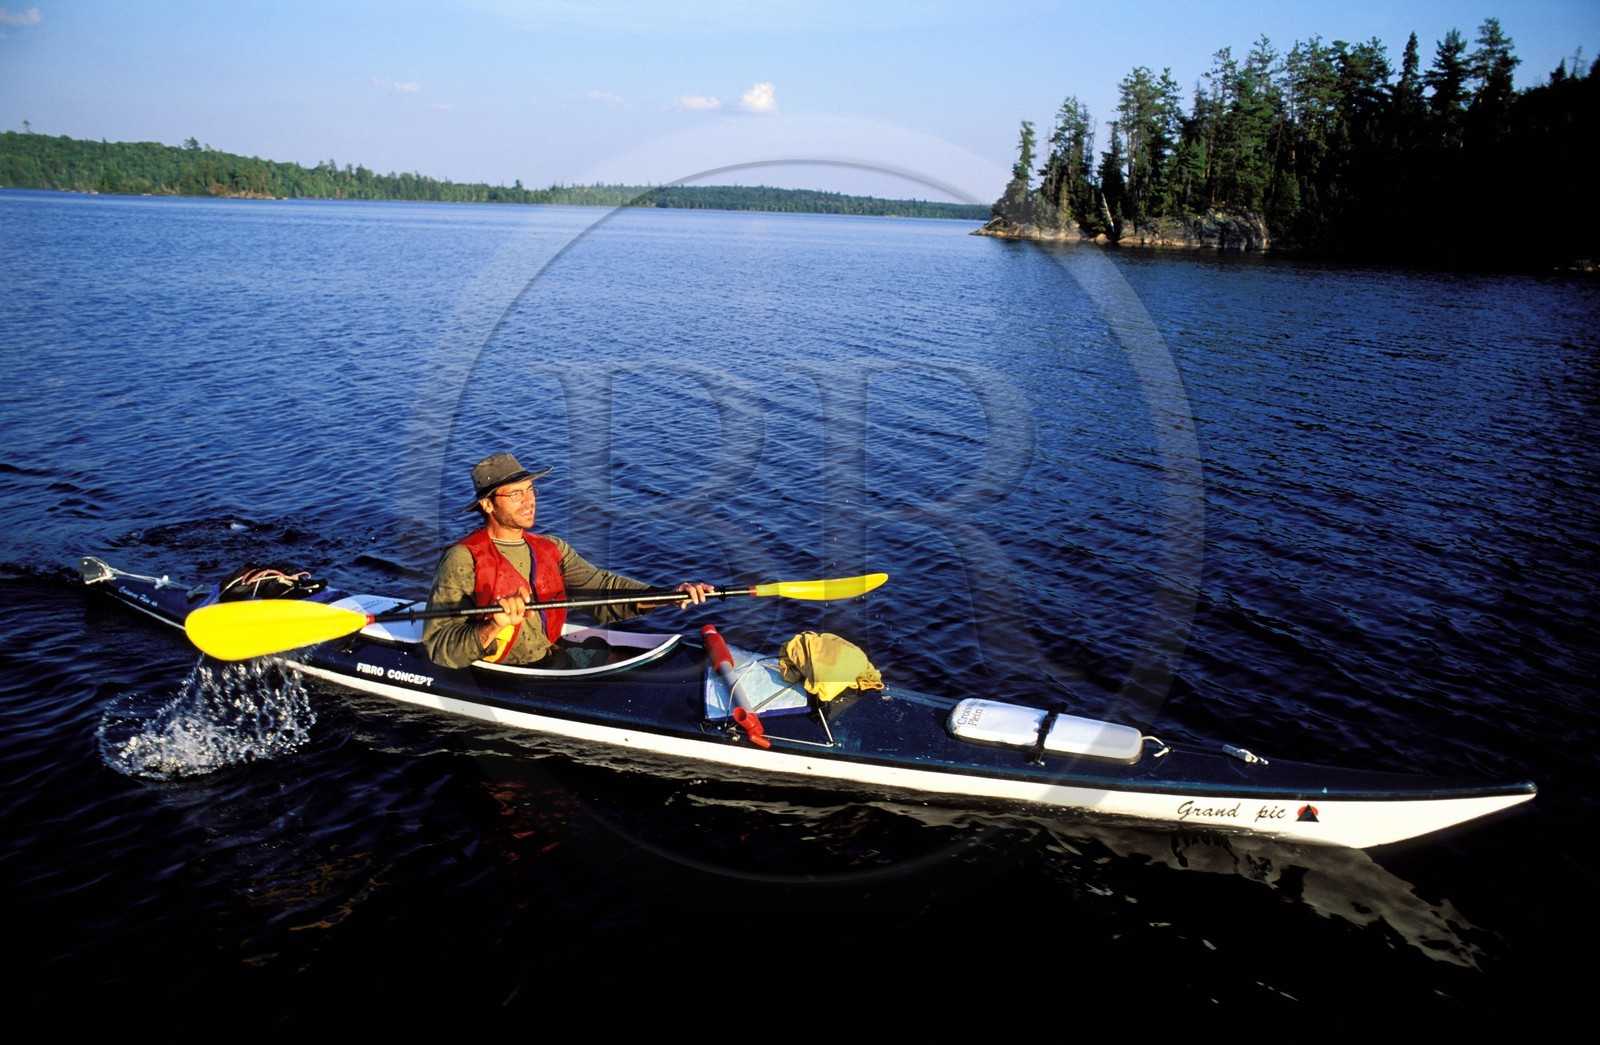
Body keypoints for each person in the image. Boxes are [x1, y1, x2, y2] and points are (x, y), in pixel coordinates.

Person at [422, 452, 714, 669]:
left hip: (551, 656)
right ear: (487, 504)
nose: (528, 500)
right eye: (515, 494)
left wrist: (669, 596)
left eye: (530, 489)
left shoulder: (551, 548)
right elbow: (439, 647)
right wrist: (495, 625)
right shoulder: (463, 559)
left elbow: (602, 588)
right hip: (507, 671)